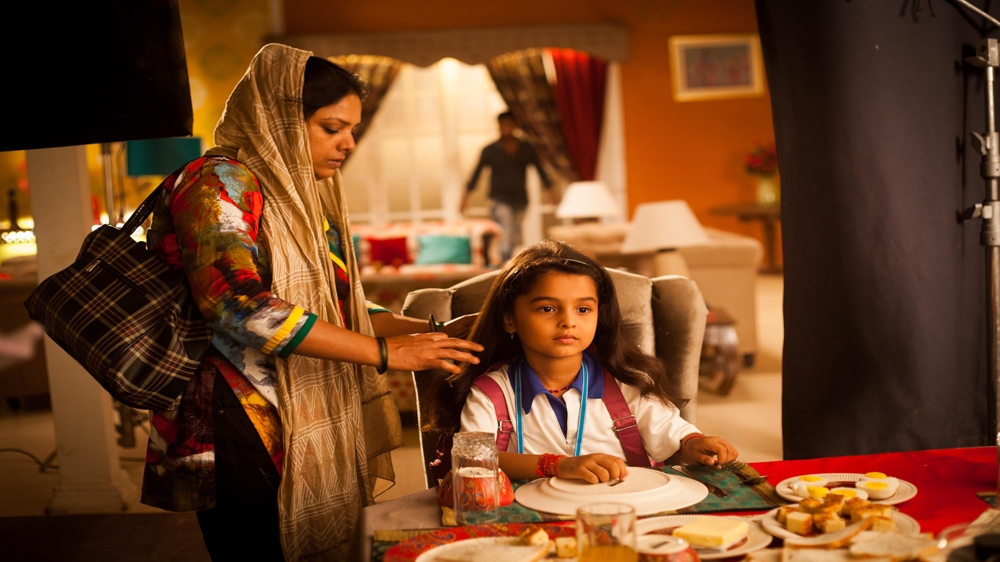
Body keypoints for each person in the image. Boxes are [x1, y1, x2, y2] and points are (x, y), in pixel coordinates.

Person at [141, 44, 482, 561]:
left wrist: (431, 331)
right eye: (331, 127)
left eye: (352, 130)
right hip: (236, 411)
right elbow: (233, 303)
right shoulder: (218, 183)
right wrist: (386, 354)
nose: (348, 144)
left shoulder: (302, 198)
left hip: (300, 402)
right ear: (277, 119)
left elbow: (337, 308)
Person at [428, 240, 737, 483]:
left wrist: (695, 444)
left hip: (625, 513)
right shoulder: (491, 393)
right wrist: (559, 465)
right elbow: (473, 460)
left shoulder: (626, 382)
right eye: (547, 309)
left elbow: (675, 435)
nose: (568, 321)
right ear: (510, 319)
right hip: (533, 526)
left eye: (583, 309)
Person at [461, 111, 555, 262]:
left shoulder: (526, 148)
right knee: (506, 230)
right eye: (502, 124)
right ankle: (504, 264)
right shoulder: (490, 150)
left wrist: (551, 193)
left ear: (515, 125)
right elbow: (475, 175)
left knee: (514, 234)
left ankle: (503, 261)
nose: (505, 127)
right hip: (499, 198)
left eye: (509, 124)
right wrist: (464, 199)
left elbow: (541, 171)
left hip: (520, 198)